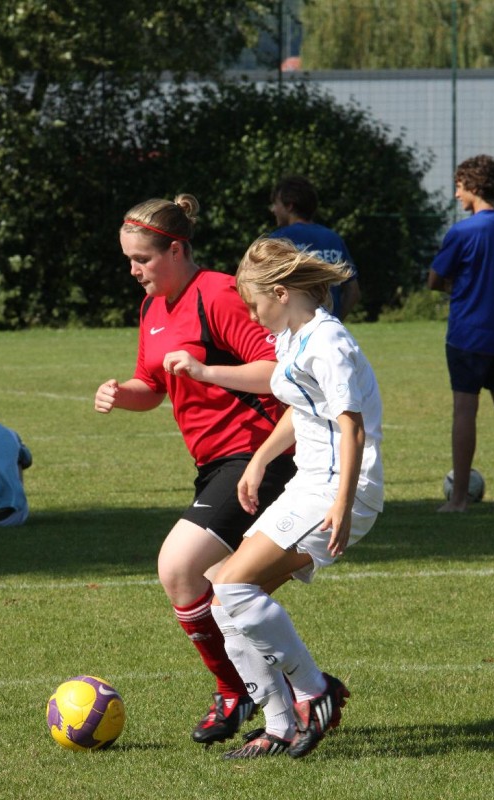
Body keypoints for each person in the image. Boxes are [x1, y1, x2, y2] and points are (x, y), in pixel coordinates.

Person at [94, 194, 296, 746]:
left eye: (142, 259)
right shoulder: (152, 309)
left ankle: (241, 691)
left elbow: (277, 370)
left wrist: (206, 371)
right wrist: (122, 393)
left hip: (259, 455)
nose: (134, 271)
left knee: (179, 567)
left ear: (177, 250)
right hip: (213, 465)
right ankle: (273, 689)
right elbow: (152, 385)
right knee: (218, 589)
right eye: (129, 260)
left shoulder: (218, 293)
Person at [205, 237, 384, 759]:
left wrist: (342, 505)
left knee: (234, 586)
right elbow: (302, 405)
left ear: (281, 294)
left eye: (254, 304)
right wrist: (260, 459)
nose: (252, 316)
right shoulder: (292, 337)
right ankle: (279, 725)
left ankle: (314, 690)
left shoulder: (329, 343)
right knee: (222, 600)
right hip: (309, 484)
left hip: (338, 488)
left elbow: (351, 427)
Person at [428, 154, 494, 512]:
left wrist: (457, 285)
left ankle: (459, 500)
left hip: (467, 334)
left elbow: (434, 279)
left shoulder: (462, 231)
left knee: (465, 410)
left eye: (459, 186)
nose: (456, 194)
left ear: (473, 185)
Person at [269, 175, 361, 321]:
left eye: (276, 204)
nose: (273, 209)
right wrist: (335, 320)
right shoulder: (333, 239)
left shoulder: (277, 241)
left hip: (292, 329)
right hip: (327, 327)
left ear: (289, 206)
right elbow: (353, 291)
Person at [0, 384, 33, 526]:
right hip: (10, 517)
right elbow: (27, 461)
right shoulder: (9, 434)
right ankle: (9, 501)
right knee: (18, 458)